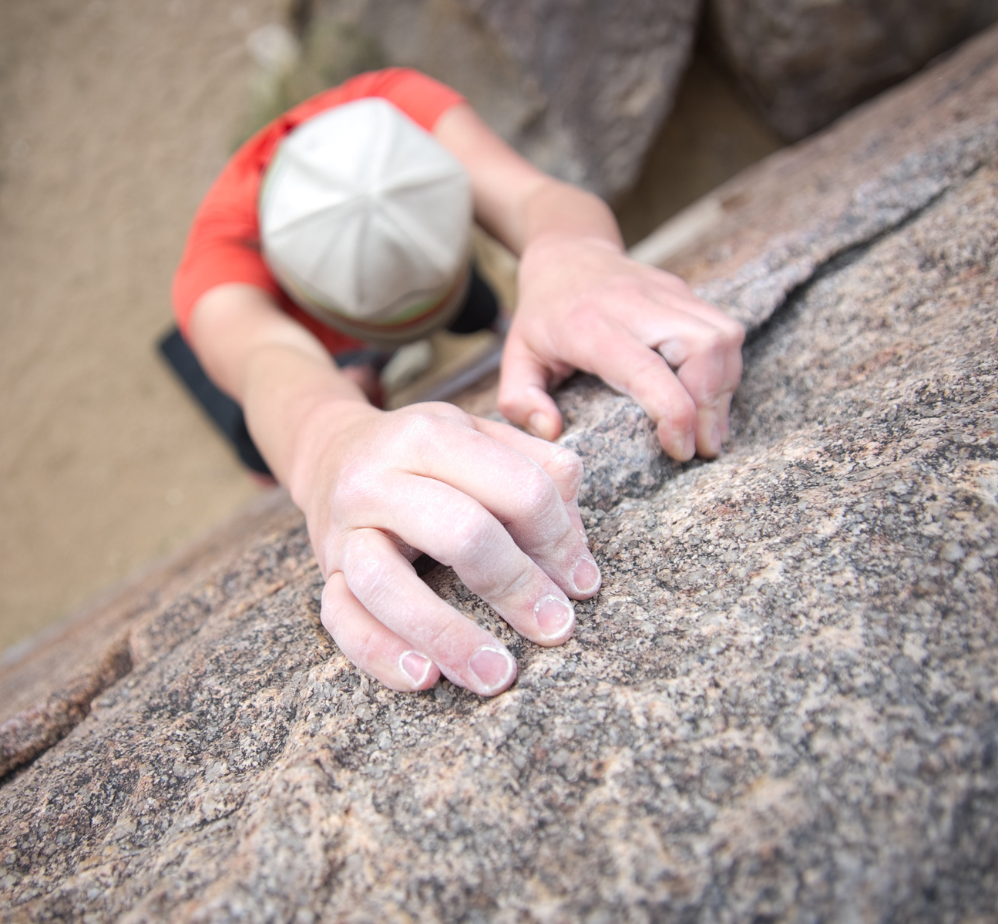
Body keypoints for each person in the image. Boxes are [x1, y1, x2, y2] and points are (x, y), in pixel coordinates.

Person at [169, 68, 743, 697]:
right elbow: (269, 366)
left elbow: (534, 199)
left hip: (383, 260)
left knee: (469, 303)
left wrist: (572, 257)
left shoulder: (397, 105)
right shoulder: (217, 275)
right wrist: (329, 446)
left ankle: (466, 319)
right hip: (301, 332)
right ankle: (349, 384)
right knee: (278, 431)